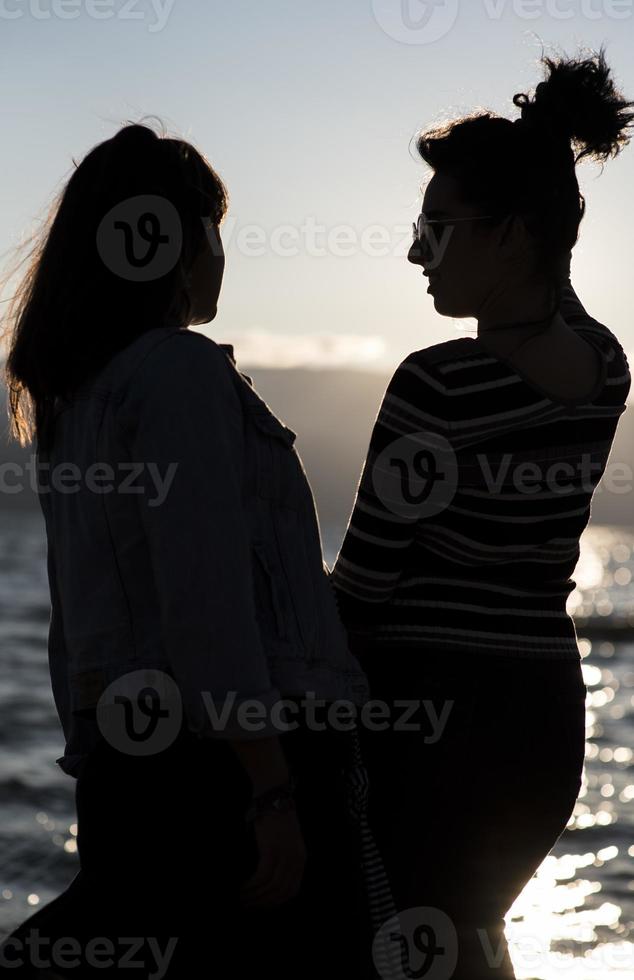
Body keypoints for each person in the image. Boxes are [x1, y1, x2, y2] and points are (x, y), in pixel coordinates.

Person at [0, 120, 370, 978]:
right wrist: (272, 788)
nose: (219, 256)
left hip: (133, 770)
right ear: (172, 241)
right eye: (216, 232)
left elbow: (76, 622)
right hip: (223, 775)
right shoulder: (179, 374)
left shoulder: (78, 400)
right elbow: (207, 605)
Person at [330, 47, 633, 979]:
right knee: (469, 937)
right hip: (540, 721)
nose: (418, 251)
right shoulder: (606, 366)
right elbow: (558, 323)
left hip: (431, 725)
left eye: (438, 228)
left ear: (509, 234)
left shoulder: (436, 386)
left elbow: (364, 592)